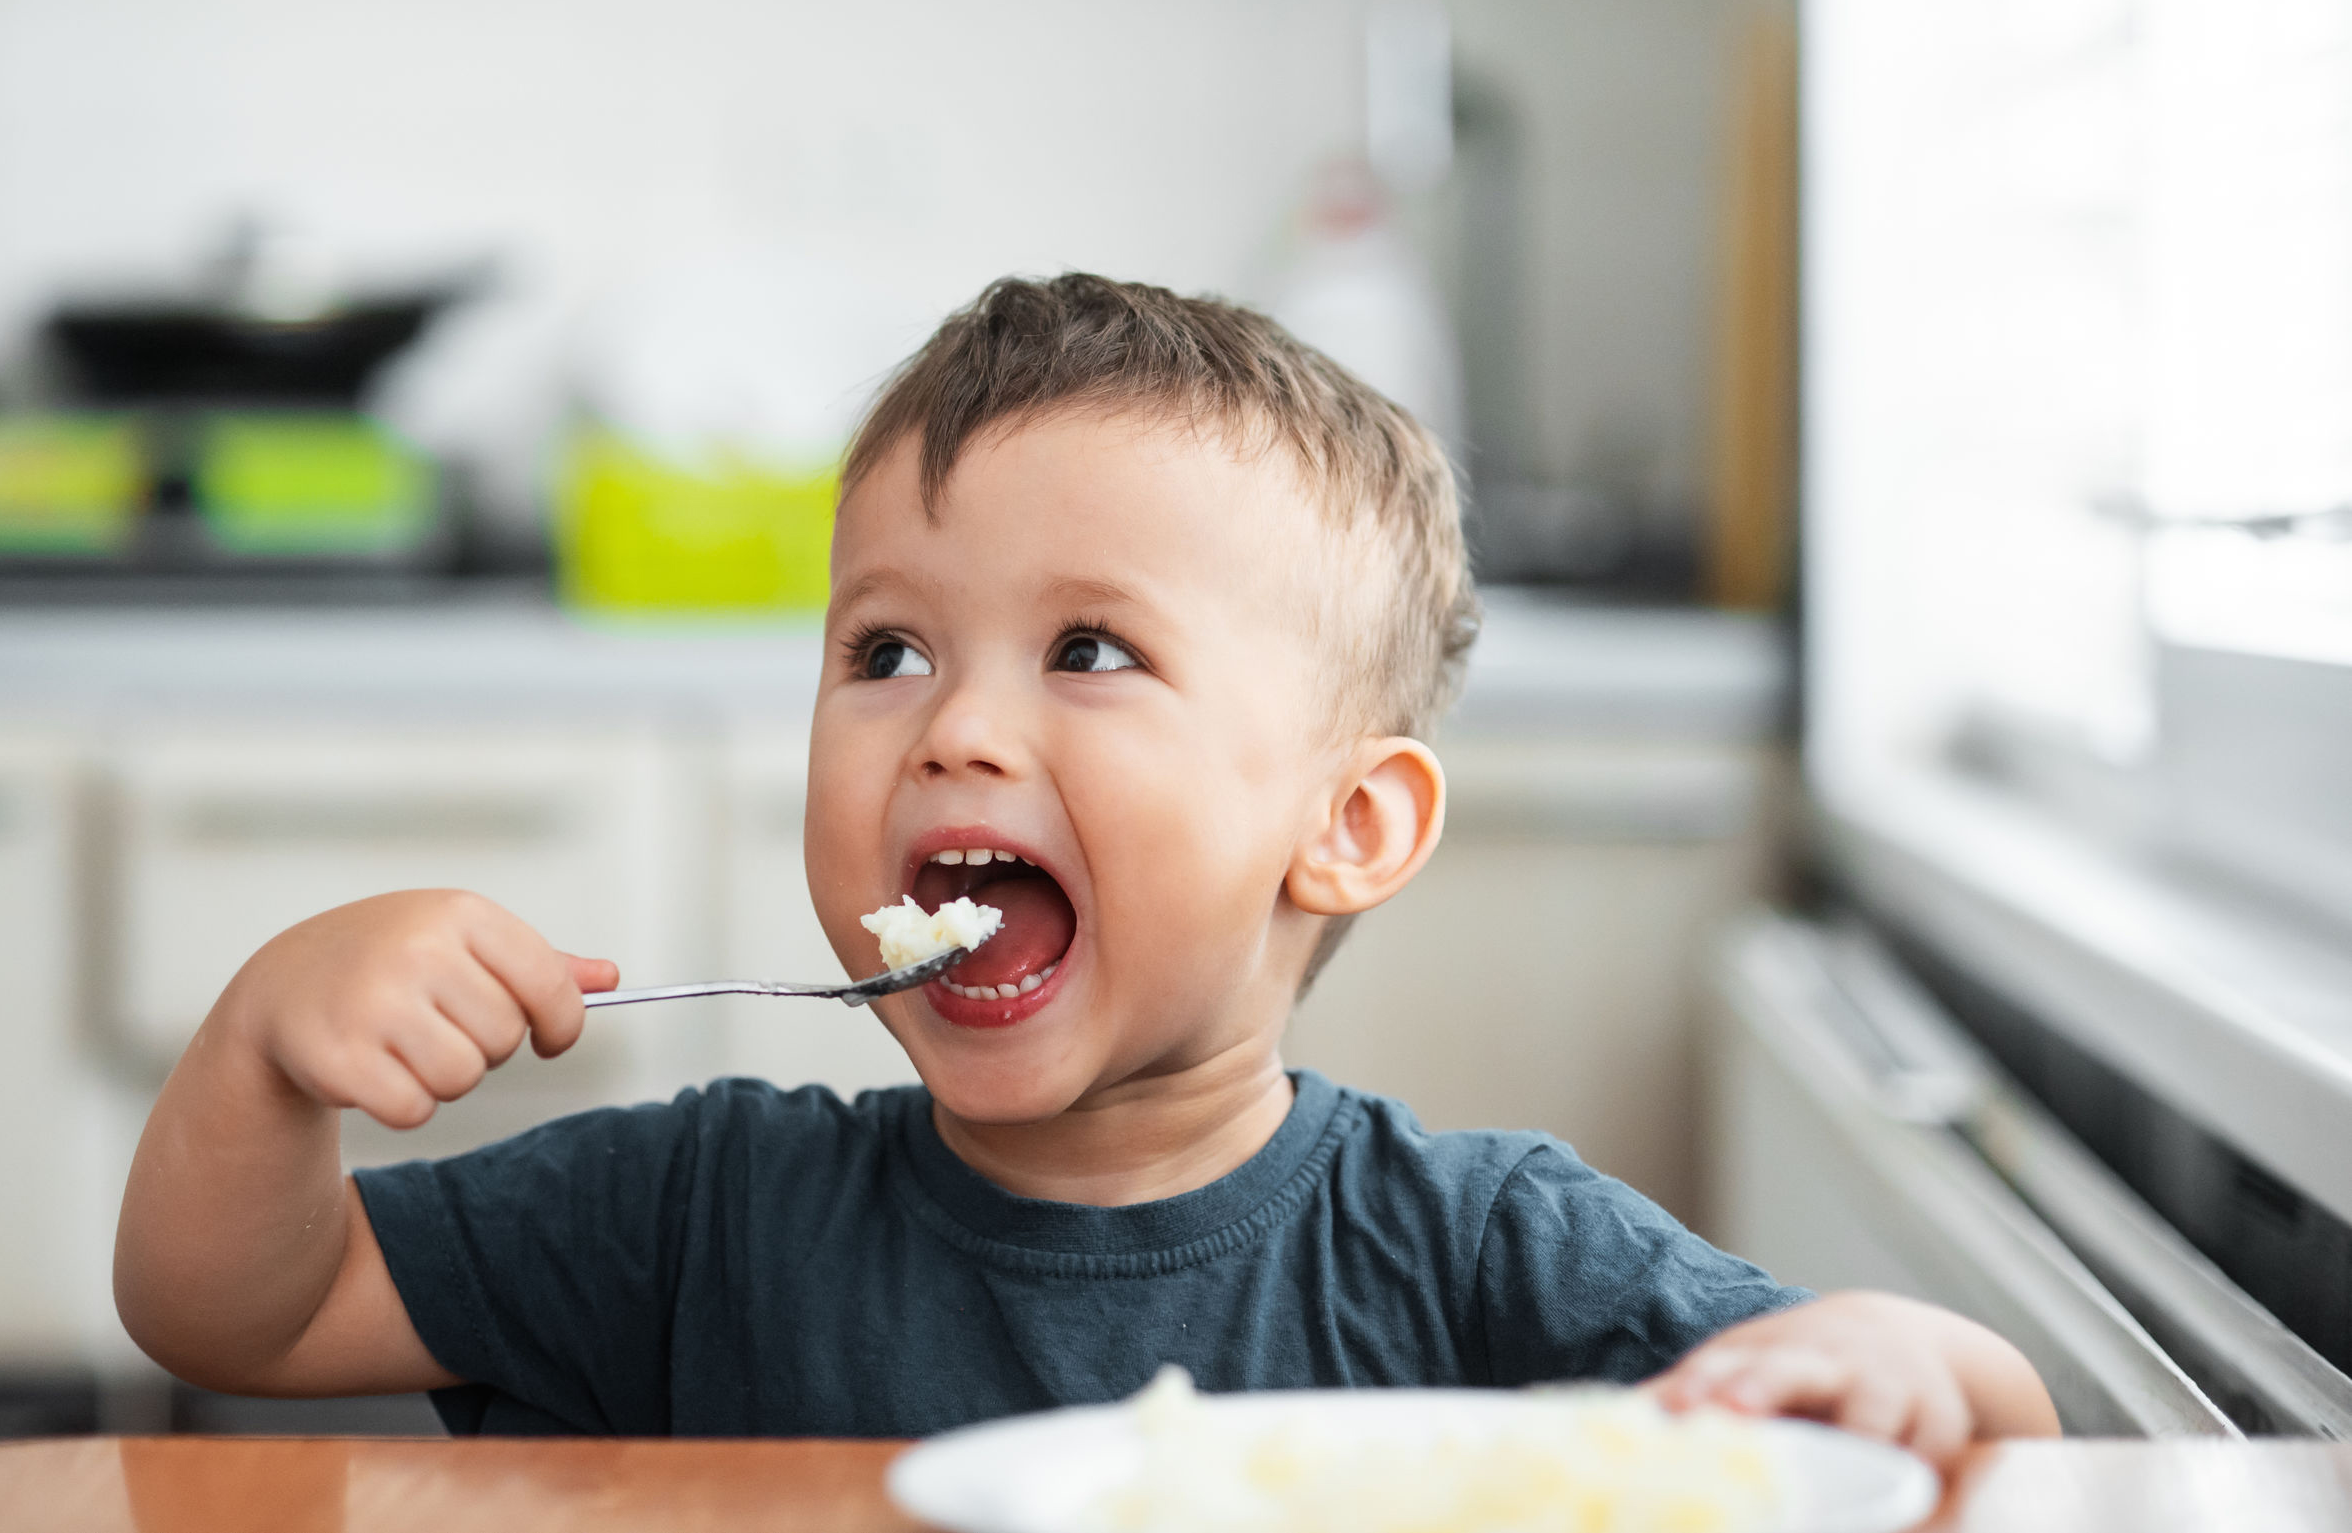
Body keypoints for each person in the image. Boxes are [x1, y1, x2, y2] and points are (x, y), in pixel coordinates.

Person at [113, 274, 2057, 1461]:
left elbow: (1994, 1421)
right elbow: (244, 1318)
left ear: (1346, 827)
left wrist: (1910, 1354)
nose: (948, 727)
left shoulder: (1480, 1249)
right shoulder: (704, 1209)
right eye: (885, 650)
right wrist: (263, 1050)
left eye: (1089, 650)